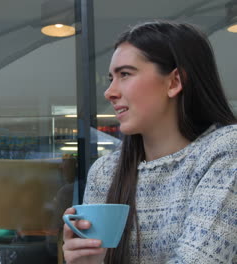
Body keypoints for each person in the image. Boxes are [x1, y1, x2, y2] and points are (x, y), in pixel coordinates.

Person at [62, 20, 237, 264]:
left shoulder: (227, 150)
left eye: (125, 74)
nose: (109, 92)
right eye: (111, 78)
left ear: (174, 82)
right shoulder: (105, 172)